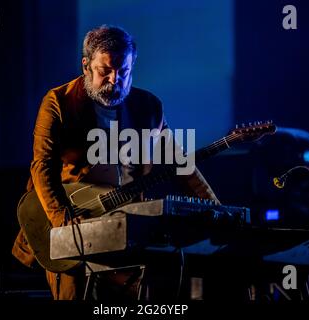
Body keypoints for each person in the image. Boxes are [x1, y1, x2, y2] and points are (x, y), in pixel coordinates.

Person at [12, 25, 220, 300]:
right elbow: (42, 166)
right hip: (70, 218)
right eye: (105, 71)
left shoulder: (148, 107)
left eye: (124, 72)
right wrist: (62, 221)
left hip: (125, 225)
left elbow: (180, 163)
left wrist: (218, 210)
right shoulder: (58, 102)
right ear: (86, 66)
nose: (115, 80)